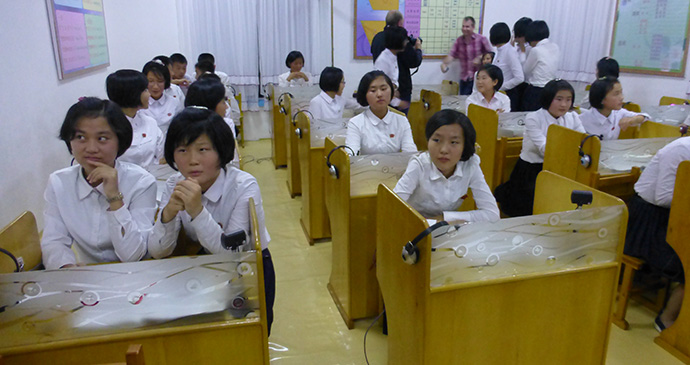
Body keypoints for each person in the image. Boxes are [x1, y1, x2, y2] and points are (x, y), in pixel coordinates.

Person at [148, 107, 275, 334]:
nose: (192, 160)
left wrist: (197, 211)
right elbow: (159, 252)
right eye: (182, 150)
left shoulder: (243, 186)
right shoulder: (173, 184)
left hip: (248, 269)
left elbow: (232, 258)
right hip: (198, 265)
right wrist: (167, 216)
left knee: (250, 336)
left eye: (203, 149)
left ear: (221, 151)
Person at [41, 97, 157, 270]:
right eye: (81, 137)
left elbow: (134, 255)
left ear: (120, 141)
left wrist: (114, 198)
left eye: (102, 138)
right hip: (85, 277)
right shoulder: (59, 182)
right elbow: (54, 240)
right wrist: (66, 267)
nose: (91, 148)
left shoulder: (141, 182)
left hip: (135, 274)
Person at [624, 136, 690, 331]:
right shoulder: (680, 150)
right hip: (649, 220)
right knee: (686, 262)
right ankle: (667, 318)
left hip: (675, 216)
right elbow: (662, 197)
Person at [494, 79, 585, 217]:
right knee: (528, 212)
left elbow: (583, 142)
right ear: (548, 98)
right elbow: (545, 149)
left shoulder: (573, 117)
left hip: (560, 169)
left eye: (568, 99)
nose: (564, 104)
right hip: (532, 171)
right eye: (558, 99)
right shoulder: (534, 118)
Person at [393, 109, 499, 224]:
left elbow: (492, 214)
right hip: (415, 229)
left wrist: (444, 218)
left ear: (465, 145)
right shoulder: (419, 165)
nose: (443, 150)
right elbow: (393, 207)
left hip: (448, 231)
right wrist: (435, 223)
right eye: (436, 140)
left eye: (453, 142)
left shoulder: (470, 164)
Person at [345, 70, 417, 155]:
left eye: (383, 89)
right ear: (365, 95)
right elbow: (351, 155)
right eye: (373, 90)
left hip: (396, 167)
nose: (379, 94)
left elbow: (410, 152)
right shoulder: (356, 123)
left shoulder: (401, 120)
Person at [106, 69, 164, 168]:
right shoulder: (108, 127)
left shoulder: (150, 123)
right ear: (132, 93)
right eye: (145, 90)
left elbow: (161, 157)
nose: (149, 94)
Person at [371, 10, 423, 112]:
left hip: (391, 92)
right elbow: (414, 62)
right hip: (397, 92)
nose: (406, 43)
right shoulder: (396, 42)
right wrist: (418, 49)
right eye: (405, 42)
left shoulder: (377, 38)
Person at [185, 75, 240, 167]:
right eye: (223, 102)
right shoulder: (182, 127)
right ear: (210, 104)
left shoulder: (226, 125)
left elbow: (231, 161)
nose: (226, 107)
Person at [579, 77, 646, 140]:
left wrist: (633, 119)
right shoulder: (582, 120)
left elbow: (645, 116)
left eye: (621, 93)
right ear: (601, 99)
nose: (622, 97)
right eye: (616, 94)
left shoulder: (619, 113)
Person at [441, 16, 493, 95]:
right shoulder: (459, 41)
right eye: (463, 26)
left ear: (473, 27)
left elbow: (491, 54)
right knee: (463, 102)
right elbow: (451, 55)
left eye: (467, 26)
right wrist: (444, 63)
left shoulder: (481, 39)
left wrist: (480, 58)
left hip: (478, 79)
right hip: (464, 79)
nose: (464, 29)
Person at [521, 21, 560, 111]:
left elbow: (526, 70)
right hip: (551, 88)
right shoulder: (555, 47)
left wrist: (523, 51)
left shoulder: (536, 50)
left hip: (536, 90)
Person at [140, 60, 184, 134]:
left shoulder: (174, 102)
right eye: (151, 81)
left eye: (160, 81)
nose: (155, 87)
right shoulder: (140, 104)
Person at [490, 22, 524, 111]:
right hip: (498, 92)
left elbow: (519, 78)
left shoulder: (510, 52)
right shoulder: (499, 50)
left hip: (508, 93)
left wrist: (501, 86)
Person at [374, 26, 409, 108]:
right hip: (386, 104)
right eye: (405, 40)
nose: (406, 42)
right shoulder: (383, 60)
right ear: (398, 42)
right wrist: (397, 102)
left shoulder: (393, 56)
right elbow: (380, 87)